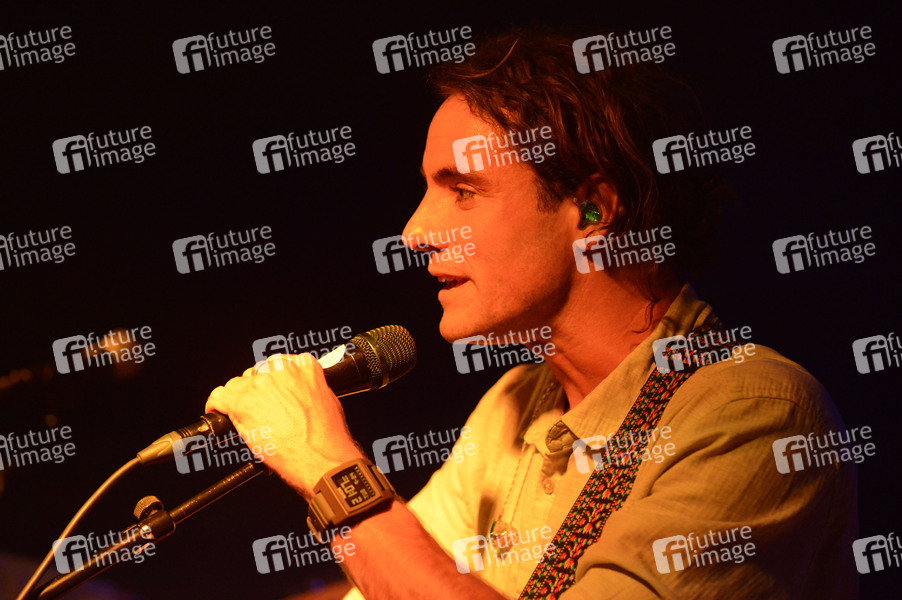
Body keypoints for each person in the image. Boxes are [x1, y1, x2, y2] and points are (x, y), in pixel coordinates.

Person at [206, 30, 858, 599]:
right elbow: (389, 583)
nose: (414, 232)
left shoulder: (756, 415)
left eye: (463, 191)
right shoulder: (515, 403)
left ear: (595, 210)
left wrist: (328, 466)